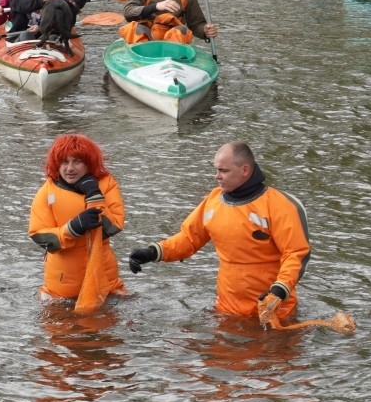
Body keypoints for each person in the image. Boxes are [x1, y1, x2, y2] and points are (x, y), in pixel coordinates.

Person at [127, 141, 312, 323]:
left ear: (245, 170)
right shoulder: (213, 200)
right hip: (227, 310)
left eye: (224, 170)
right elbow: (188, 239)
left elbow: (295, 253)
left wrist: (279, 291)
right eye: (216, 170)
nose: (217, 176)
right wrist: (152, 252)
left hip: (274, 310)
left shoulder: (279, 205)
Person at [28, 134, 127, 303]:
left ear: (89, 163)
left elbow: (112, 227)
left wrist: (94, 194)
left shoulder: (107, 184)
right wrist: (72, 228)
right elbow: (40, 236)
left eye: (77, 161)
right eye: (65, 162)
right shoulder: (46, 193)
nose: (70, 168)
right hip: (61, 290)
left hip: (106, 283)